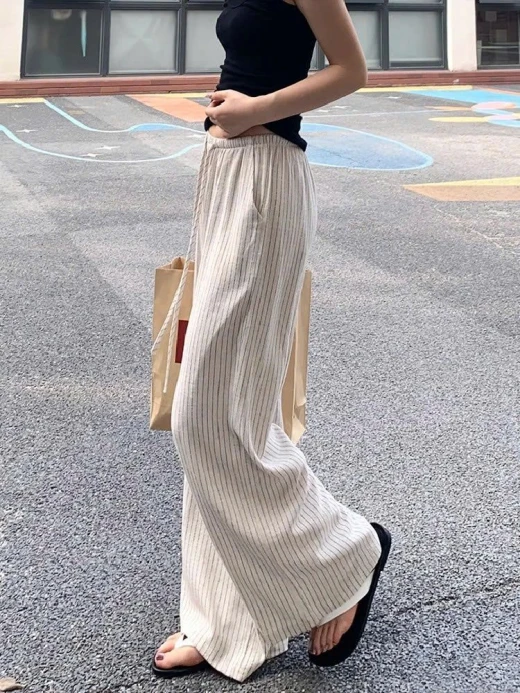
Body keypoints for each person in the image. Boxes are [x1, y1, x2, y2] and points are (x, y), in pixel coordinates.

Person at [152, 0, 391, 682]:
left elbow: (350, 70)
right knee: (224, 410)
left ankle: (348, 549)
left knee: (207, 416)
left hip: (265, 179)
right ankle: (220, 620)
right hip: (225, 172)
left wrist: (253, 110)